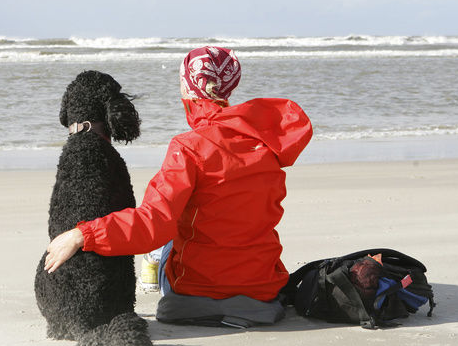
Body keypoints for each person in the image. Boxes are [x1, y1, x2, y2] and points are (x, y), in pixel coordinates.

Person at [45, 46, 313, 328]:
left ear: (187, 85)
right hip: (263, 288)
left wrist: (82, 234)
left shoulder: (188, 147)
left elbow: (153, 224)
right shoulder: (266, 147)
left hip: (200, 291)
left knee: (165, 236)